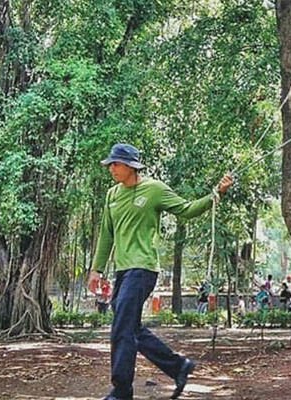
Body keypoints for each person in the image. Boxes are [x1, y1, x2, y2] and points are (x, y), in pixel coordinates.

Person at [87, 143, 233, 400]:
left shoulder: (154, 190)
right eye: (110, 164)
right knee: (129, 327)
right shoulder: (112, 195)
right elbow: (106, 234)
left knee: (122, 327)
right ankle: (178, 366)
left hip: (143, 268)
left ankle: (121, 391)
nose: (112, 168)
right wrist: (96, 269)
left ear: (131, 166)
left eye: (116, 164)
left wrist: (216, 194)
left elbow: (186, 210)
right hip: (123, 271)